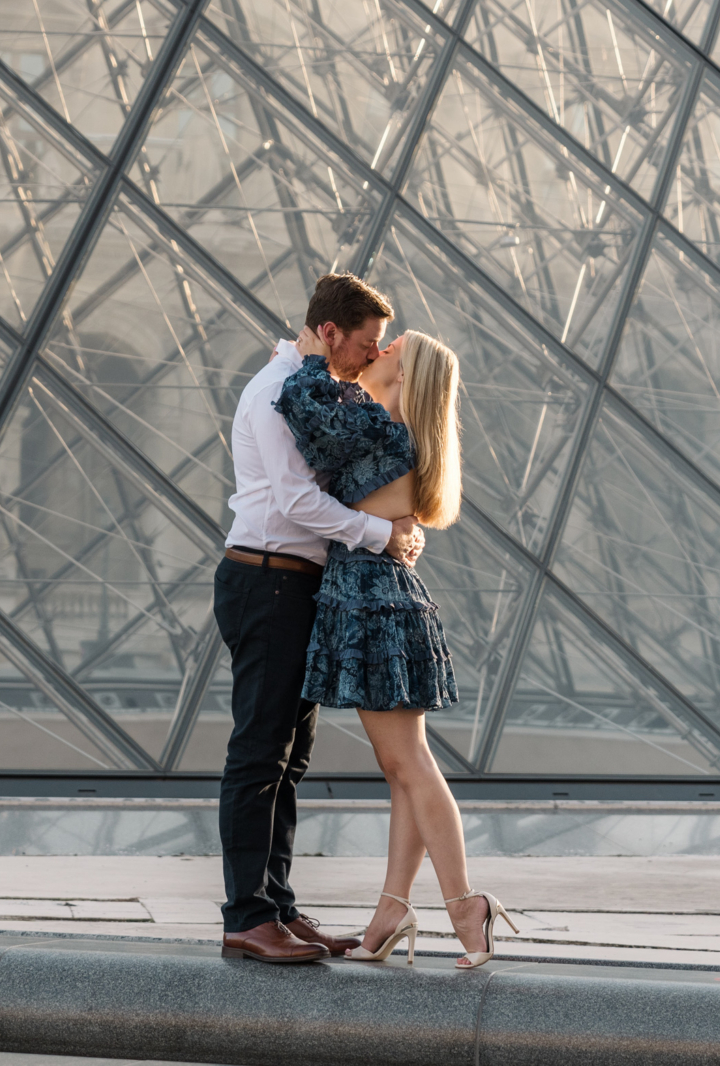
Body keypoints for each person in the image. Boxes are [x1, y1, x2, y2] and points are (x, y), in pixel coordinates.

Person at [274, 324, 517, 970]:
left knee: (408, 764)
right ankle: (391, 908)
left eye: (391, 349)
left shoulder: (384, 431)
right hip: (379, 595)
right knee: (403, 764)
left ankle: (467, 903)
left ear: (406, 378)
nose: (377, 351)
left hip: (373, 602)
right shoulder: (395, 431)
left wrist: (305, 360)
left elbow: (307, 418)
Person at [215, 273, 423, 965]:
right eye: (365, 343)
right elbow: (298, 502)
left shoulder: (313, 391)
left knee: (289, 756)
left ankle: (275, 903)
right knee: (259, 754)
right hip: (266, 578)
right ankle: (247, 914)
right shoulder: (279, 391)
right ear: (329, 331)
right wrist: (379, 535)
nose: (372, 356)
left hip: (292, 585)